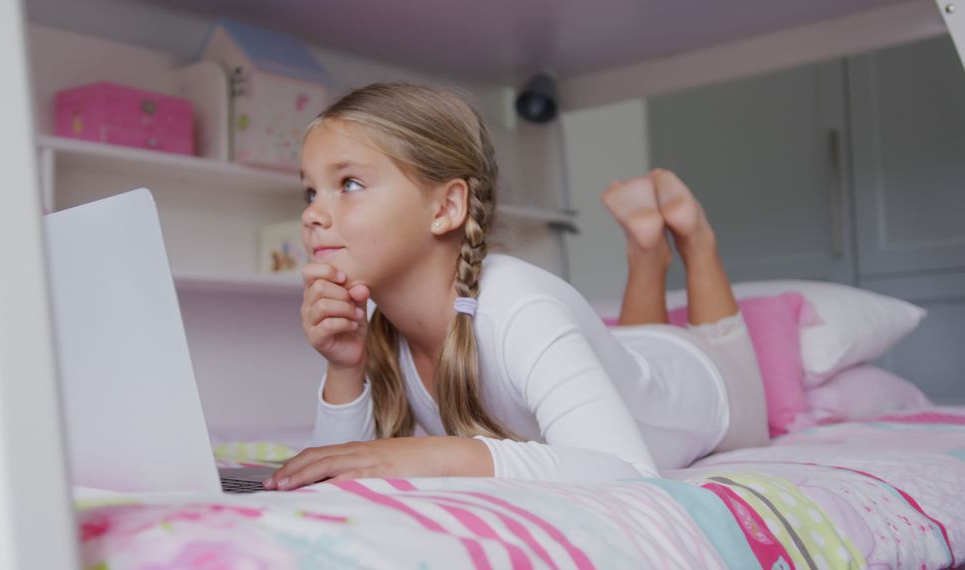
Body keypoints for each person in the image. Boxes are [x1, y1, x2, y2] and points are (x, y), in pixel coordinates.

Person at [263, 82, 769, 492]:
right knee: (629, 360)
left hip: (698, 383)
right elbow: (335, 469)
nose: (311, 213)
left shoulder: (521, 307)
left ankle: (692, 238)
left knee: (704, 377)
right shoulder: (382, 327)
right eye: (310, 191)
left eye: (348, 183)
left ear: (446, 208)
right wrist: (344, 369)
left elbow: (627, 474)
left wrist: (430, 454)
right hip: (628, 364)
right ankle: (647, 249)